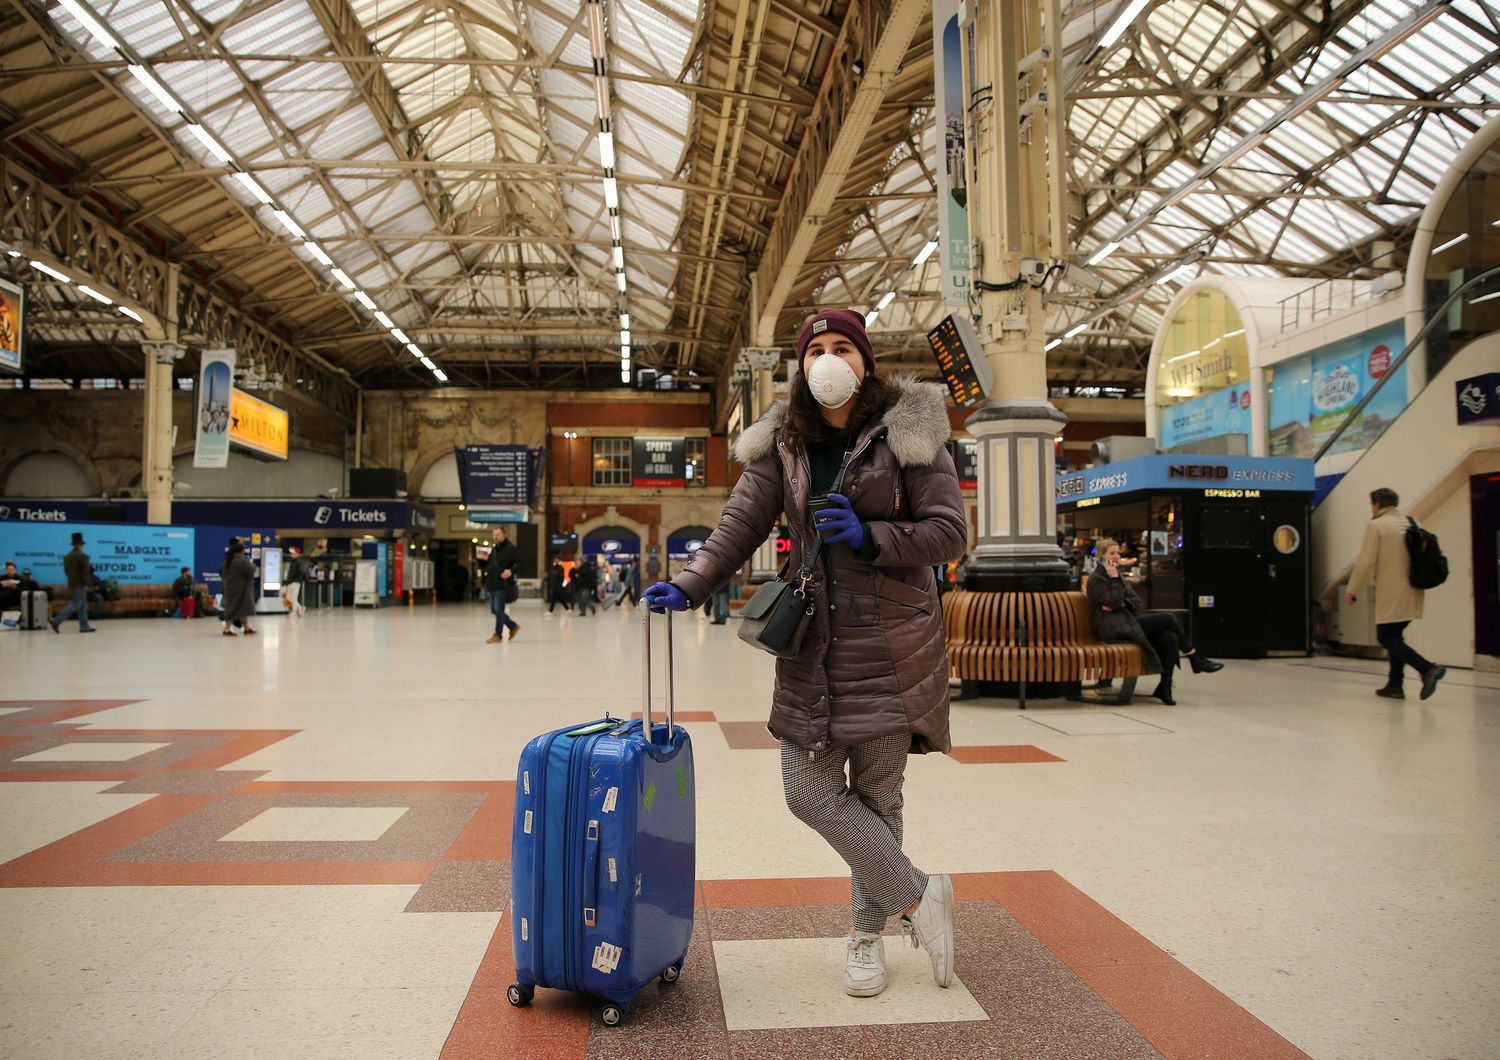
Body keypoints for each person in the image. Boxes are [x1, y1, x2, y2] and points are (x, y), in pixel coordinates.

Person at [642, 306, 967, 999]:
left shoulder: (912, 434)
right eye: (815, 347)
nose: (828, 359)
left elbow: (948, 534)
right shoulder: (782, 443)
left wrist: (871, 537)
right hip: (812, 645)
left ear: (866, 361)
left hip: (892, 644)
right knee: (807, 792)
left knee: (879, 797)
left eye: (843, 346)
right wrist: (691, 582)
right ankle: (919, 896)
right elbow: (736, 526)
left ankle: (867, 939)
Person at [1087, 538, 1221, 704]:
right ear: (1101, 557)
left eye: (1118, 553)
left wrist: (1121, 603)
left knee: (1169, 637)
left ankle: (1164, 686)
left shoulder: (1119, 576)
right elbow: (1113, 601)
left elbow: (1136, 602)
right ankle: (1195, 658)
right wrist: (1115, 586)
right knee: (1167, 618)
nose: (1116, 556)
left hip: (1127, 620)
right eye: (1111, 553)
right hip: (1112, 627)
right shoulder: (1097, 579)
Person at [1346, 487, 1446, 700]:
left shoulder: (1376, 526)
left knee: (1386, 636)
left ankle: (1427, 668)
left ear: (1377, 505)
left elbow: (1365, 562)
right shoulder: (1413, 522)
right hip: (1414, 588)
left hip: (1392, 591)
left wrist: (1352, 589)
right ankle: (1395, 685)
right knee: (1395, 634)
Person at [49, 532, 95, 634]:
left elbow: (66, 572)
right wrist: (89, 585)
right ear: (80, 544)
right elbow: (85, 573)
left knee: (82, 605)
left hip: (72, 583)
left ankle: (84, 626)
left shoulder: (67, 557)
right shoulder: (83, 556)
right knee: (76, 604)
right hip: (80, 585)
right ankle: (56, 620)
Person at [483, 529, 520, 643]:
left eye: (498, 534)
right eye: (494, 535)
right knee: (494, 610)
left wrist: (511, 571)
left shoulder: (510, 549)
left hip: (502, 585)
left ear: (503, 535)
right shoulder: (494, 550)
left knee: (498, 609)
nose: (495, 537)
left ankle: (498, 634)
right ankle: (512, 626)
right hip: (492, 584)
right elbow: (490, 564)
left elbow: (522, 562)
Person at [220, 539, 258, 636]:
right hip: (239, 588)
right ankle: (226, 629)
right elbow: (252, 568)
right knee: (232, 608)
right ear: (241, 550)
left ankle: (246, 627)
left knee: (241, 608)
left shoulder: (229, 559)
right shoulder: (240, 560)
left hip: (231, 587)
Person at [283, 548, 307, 616]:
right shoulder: (292, 562)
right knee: (290, 598)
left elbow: (302, 572)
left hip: (295, 583)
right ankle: (300, 608)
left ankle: (293, 611)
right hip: (291, 582)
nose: (292, 554)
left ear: (297, 554)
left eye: (293, 553)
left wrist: (296, 580)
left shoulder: (299, 562)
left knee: (294, 597)